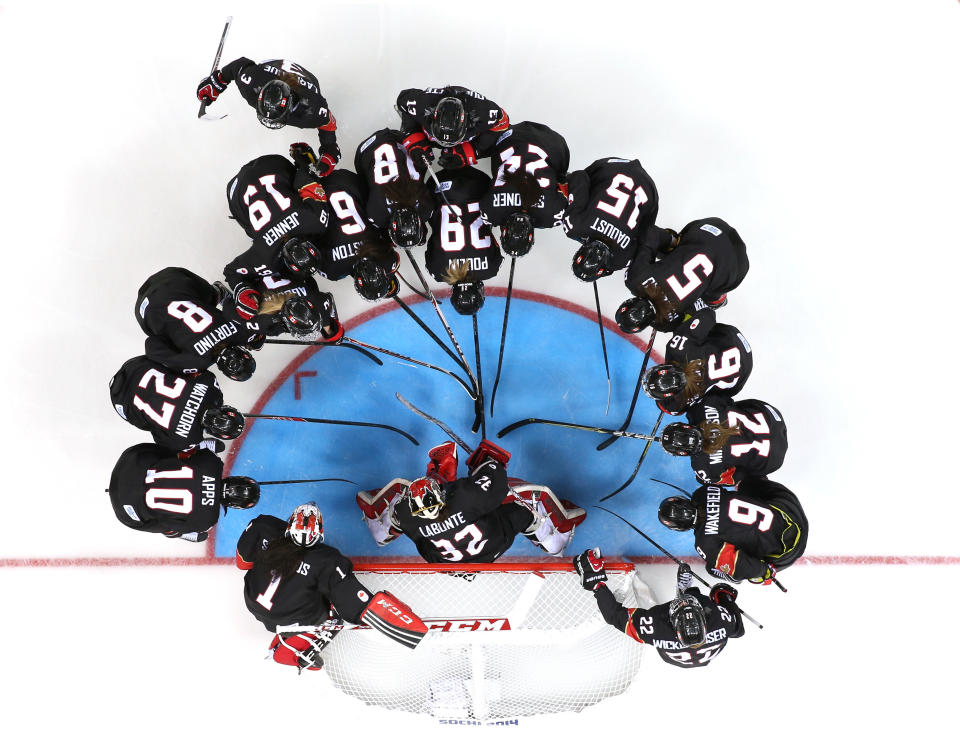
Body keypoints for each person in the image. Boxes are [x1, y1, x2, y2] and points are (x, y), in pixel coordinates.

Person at [236, 503, 428, 671]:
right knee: (335, 614)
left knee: (304, 586)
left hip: (252, 600)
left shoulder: (263, 526)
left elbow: (243, 562)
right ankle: (295, 651)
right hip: (290, 618)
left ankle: (292, 629)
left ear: (289, 525)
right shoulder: (327, 560)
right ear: (319, 532)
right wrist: (401, 622)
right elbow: (354, 607)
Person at [356, 440, 586, 561]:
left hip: (443, 562)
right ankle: (557, 542)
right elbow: (497, 471)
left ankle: (381, 533)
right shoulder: (469, 498)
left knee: (398, 497)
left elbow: (412, 508)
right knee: (531, 500)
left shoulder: (407, 513)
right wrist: (484, 462)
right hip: (491, 546)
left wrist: (439, 473)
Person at [575, 551, 744, 668]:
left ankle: (684, 591)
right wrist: (724, 597)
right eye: (687, 604)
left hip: (672, 653)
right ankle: (688, 592)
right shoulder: (721, 622)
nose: (684, 604)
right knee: (699, 599)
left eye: (681, 604)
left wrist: (595, 583)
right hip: (706, 640)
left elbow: (613, 616)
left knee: (697, 601)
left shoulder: (656, 630)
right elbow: (738, 630)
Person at [197, 58, 340, 175]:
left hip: (307, 82)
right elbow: (238, 66)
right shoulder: (252, 81)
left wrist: (330, 152)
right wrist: (216, 81)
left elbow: (328, 124)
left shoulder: (313, 108)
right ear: (260, 93)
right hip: (271, 69)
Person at [658, 476, 808, 585]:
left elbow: (740, 567)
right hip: (791, 512)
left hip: (790, 550)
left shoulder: (705, 543)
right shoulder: (703, 492)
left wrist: (763, 573)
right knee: (745, 483)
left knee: (714, 567)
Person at [616, 217, 750, 336]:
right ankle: (675, 243)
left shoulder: (667, 323)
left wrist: (665, 320)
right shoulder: (634, 279)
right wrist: (671, 242)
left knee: (710, 299)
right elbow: (651, 234)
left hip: (737, 263)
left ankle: (717, 298)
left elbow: (700, 315)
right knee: (668, 250)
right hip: (709, 227)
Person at [108, 442, 259, 542]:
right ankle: (182, 533)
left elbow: (207, 447)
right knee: (170, 526)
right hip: (126, 511)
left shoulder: (213, 463)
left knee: (177, 452)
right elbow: (167, 525)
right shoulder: (207, 521)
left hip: (129, 464)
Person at [134, 267, 260, 380]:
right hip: (144, 309)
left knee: (211, 297)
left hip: (173, 277)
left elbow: (240, 312)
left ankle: (218, 293)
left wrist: (255, 338)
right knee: (156, 331)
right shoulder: (195, 363)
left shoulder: (243, 332)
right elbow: (151, 344)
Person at [109, 355, 243, 450]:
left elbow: (188, 366)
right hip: (121, 401)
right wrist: (201, 443)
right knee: (152, 425)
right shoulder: (186, 440)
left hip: (136, 366)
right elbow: (160, 439)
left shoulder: (211, 387)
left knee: (180, 367)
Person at [479, 121, 571, 256]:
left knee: (560, 175)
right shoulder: (489, 211)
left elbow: (566, 181)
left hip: (552, 143)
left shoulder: (553, 215)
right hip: (511, 137)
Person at [563, 157, 660, 282]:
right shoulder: (574, 226)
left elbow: (649, 233)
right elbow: (580, 177)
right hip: (613, 168)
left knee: (644, 226)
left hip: (649, 189)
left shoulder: (622, 259)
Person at [659, 394, 788, 486]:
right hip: (773, 418)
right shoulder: (702, 407)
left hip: (772, 459)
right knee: (732, 407)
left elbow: (737, 478)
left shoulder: (706, 469)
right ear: (685, 426)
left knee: (745, 473)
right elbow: (726, 397)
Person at [643, 308, 754, 414]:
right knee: (686, 324)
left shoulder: (678, 403)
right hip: (733, 339)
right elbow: (708, 314)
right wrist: (685, 326)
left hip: (741, 376)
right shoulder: (678, 349)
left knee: (705, 405)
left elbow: (668, 408)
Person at [424, 166, 502, 315]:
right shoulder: (438, 271)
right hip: (439, 183)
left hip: (479, 182)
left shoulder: (492, 268)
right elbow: (431, 242)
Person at [226, 151, 330, 246]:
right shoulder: (264, 250)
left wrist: (305, 164)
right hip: (236, 191)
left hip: (272, 166)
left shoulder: (315, 221)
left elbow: (304, 179)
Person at [396, 86, 509, 170]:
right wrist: (414, 138)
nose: (446, 144)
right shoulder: (420, 103)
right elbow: (402, 100)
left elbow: (503, 122)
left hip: (470, 126)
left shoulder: (485, 113)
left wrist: (474, 150)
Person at [354, 128, 434, 247]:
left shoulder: (426, 207)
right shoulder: (377, 213)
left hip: (396, 143)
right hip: (371, 148)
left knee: (418, 171)